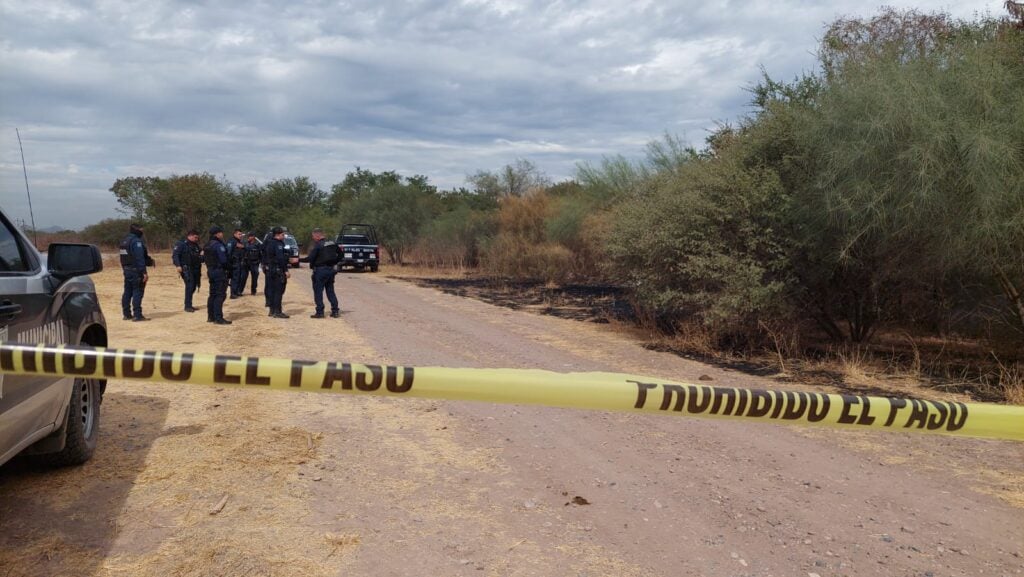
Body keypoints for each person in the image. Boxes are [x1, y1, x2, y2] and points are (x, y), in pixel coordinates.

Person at [299, 227, 341, 318]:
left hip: (320, 271)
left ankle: (320, 312)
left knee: (318, 292)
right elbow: (341, 255)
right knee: (330, 291)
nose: (313, 238)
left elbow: (310, 259)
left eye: (313, 237)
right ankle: (335, 311)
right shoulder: (333, 243)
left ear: (317, 236)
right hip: (331, 270)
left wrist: (298, 260)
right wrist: (334, 262)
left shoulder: (318, 245)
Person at [119, 222, 155, 321]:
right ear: (136, 230)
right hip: (136, 271)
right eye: (141, 230)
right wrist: (144, 272)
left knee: (127, 292)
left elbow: (122, 258)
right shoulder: (136, 242)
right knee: (137, 291)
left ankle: (126, 314)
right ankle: (137, 315)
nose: (142, 232)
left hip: (127, 270)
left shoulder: (124, 241)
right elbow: (140, 258)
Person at [204, 226, 232, 325]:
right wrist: (230, 268)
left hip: (211, 271)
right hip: (219, 271)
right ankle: (218, 318)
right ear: (217, 234)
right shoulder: (218, 245)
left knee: (212, 294)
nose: (222, 234)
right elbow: (223, 260)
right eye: (221, 232)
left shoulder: (207, 244)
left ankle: (210, 316)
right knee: (220, 295)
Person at [172, 229, 203, 312]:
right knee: (190, 285)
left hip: (195, 269)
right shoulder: (181, 244)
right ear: (190, 236)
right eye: (195, 237)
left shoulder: (196, 245)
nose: (196, 239)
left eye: (197, 237)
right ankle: (187, 306)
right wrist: (178, 265)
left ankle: (189, 304)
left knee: (193, 286)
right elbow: (175, 255)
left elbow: (201, 254)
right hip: (186, 269)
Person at [263, 226, 291, 318]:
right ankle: (277, 311)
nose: (284, 236)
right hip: (278, 270)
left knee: (272, 290)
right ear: (278, 235)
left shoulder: (269, 243)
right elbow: (280, 258)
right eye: (283, 234)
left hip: (271, 269)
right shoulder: (278, 244)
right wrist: (286, 270)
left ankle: (272, 310)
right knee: (279, 291)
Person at [226, 229, 246, 298]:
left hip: (239, 262)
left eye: (241, 234)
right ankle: (233, 293)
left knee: (238, 278)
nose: (240, 236)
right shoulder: (231, 241)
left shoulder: (239, 242)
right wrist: (229, 263)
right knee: (234, 278)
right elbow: (228, 253)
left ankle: (236, 292)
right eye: (239, 234)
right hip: (234, 263)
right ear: (234, 234)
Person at [241, 231, 262, 295]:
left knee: (254, 278)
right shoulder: (245, 243)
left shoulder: (258, 244)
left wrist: (261, 263)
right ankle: (240, 290)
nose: (248, 237)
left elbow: (261, 254)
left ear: (253, 237)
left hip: (255, 263)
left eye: (250, 236)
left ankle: (253, 291)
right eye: (248, 236)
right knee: (243, 277)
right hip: (246, 263)